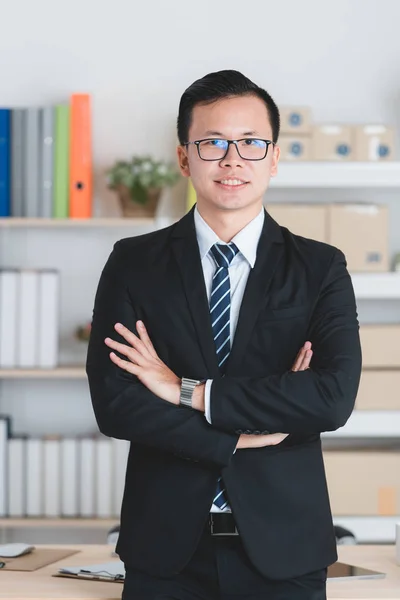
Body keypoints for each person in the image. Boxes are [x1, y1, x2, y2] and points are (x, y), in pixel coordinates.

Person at [86, 69, 362, 600]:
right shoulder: (134, 263)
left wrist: (184, 391)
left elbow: (330, 399)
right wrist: (239, 435)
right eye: (212, 143)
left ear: (274, 158)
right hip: (165, 553)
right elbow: (116, 404)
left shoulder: (320, 268)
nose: (232, 159)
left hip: (285, 551)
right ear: (184, 158)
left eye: (251, 143)